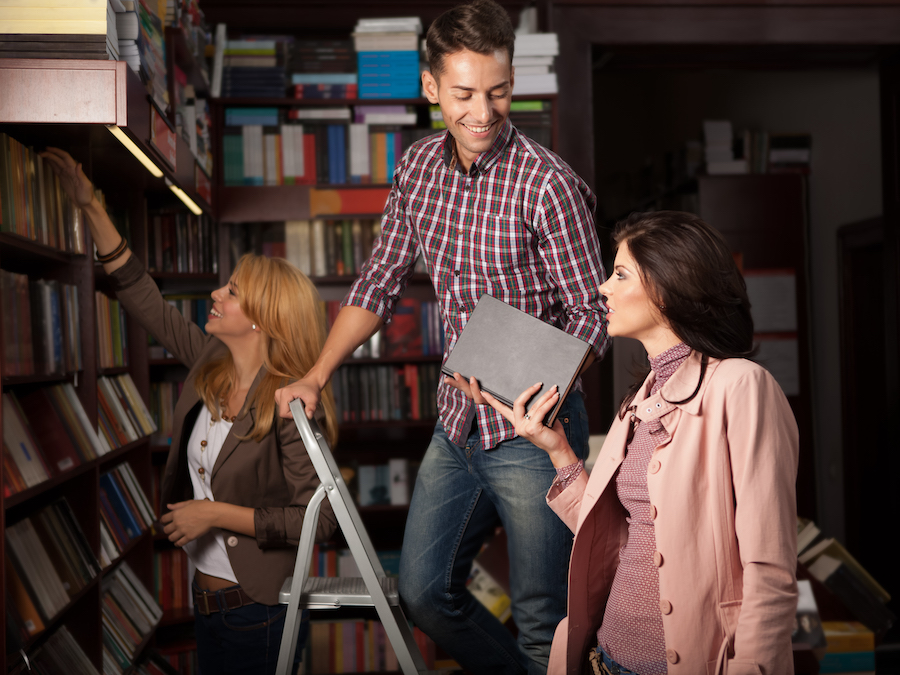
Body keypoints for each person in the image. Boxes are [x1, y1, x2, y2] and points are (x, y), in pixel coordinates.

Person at [274, 0, 609, 671]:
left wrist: (540, 399)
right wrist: (316, 374)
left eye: (499, 90)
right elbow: (377, 284)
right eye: (463, 93)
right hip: (457, 424)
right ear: (430, 88)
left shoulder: (549, 185)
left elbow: (592, 314)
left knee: (545, 622)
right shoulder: (417, 169)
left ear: (513, 81)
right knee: (424, 594)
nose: (482, 112)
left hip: (533, 431)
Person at [42, 147, 338, 675]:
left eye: (232, 290)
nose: (215, 293)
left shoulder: (290, 404)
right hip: (206, 606)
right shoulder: (211, 361)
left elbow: (322, 522)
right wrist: (91, 209)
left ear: (261, 319)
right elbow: (143, 296)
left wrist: (215, 514)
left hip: (259, 613)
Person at [476, 210, 800, 675]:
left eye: (620, 273)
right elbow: (620, 535)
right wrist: (557, 449)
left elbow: (769, 569)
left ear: (669, 287)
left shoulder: (741, 386)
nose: (603, 288)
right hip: (603, 659)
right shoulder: (643, 395)